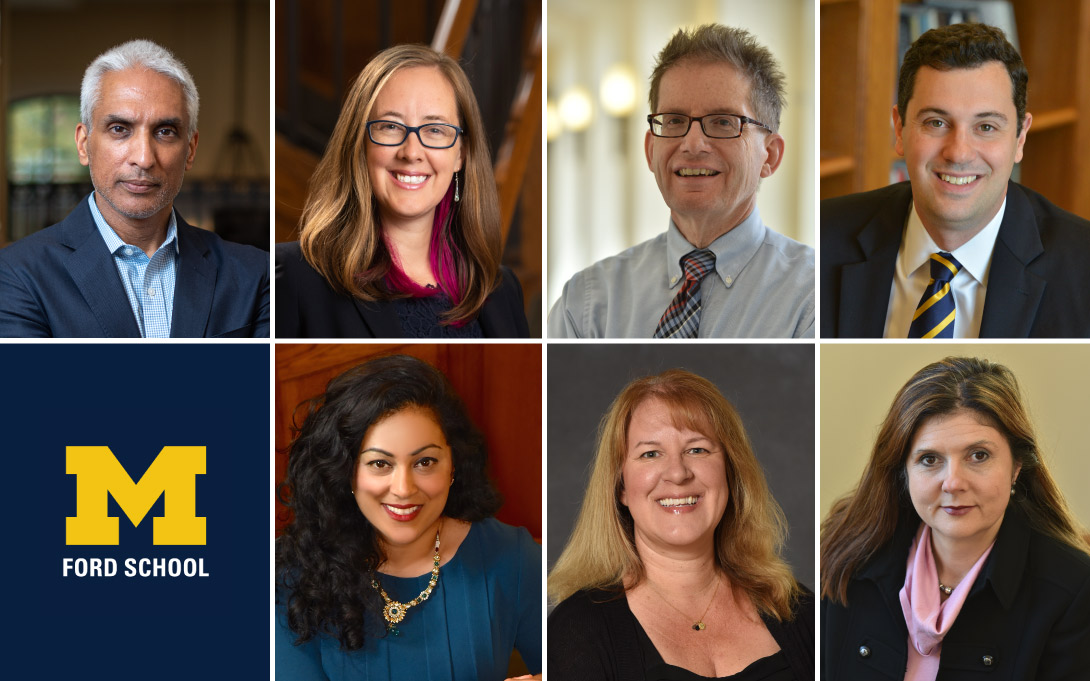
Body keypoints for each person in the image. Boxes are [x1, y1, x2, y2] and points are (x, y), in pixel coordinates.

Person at [821, 357, 1090, 679]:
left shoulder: (1074, 588)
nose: (953, 483)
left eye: (979, 456)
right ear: (902, 472)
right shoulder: (844, 557)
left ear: (1017, 466)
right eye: (929, 459)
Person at [275, 355, 541, 681]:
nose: (403, 489)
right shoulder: (287, 574)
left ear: (453, 465)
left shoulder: (512, 557)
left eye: (425, 462)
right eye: (380, 464)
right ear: (346, 472)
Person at [821, 23, 1090, 338]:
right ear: (899, 129)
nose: (959, 153)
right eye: (936, 122)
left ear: (1020, 138)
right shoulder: (823, 239)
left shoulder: (1083, 270)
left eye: (986, 127)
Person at [548, 24, 814, 339]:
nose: (692, 144)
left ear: (769, 155)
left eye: (723, 122)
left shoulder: (813, 295)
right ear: (650, 150)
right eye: (674, 121)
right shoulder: (585, 303)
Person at [548, 369, 813, 680]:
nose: (677, 473)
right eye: (650, 454)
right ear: (620, 487)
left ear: (730, 471)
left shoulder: (799, 611)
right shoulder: (578, 628)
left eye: (697, 449)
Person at [0, 39, 269, 338]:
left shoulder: (255, 275)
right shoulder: (17, 275)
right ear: (83, 143)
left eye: (165, 132)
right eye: (119, 129)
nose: (143, 157)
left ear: (190, 150)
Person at [275, 44, 529, 338]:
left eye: (435, 130)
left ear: (461, 154)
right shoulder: (293, 278)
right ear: (360, 144)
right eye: (390, 127)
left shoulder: (501, 290)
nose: (412, 152)